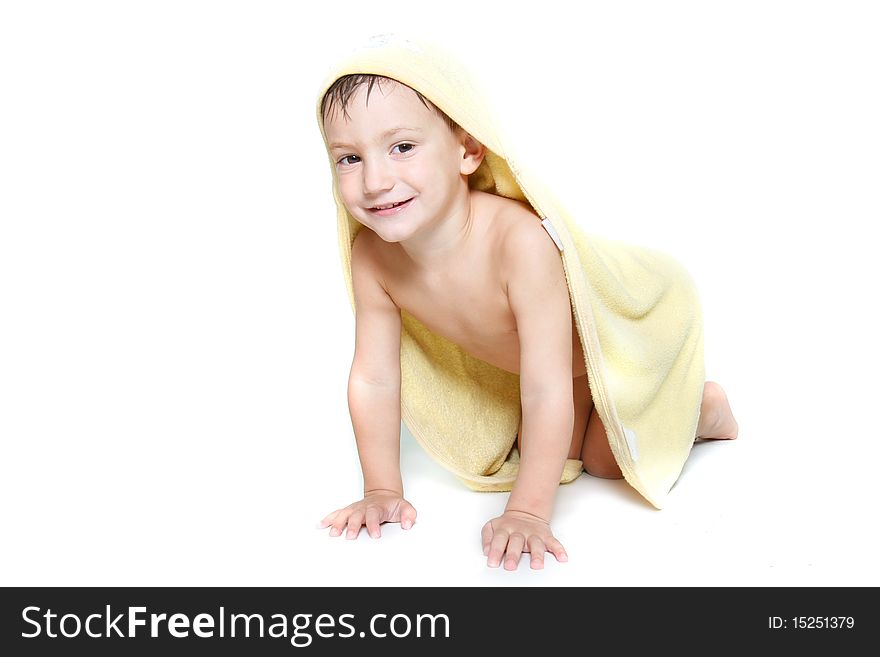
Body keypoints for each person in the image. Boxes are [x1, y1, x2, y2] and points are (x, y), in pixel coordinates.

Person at [315, 51, 738, 571]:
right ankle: (616, 413)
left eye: (402, 147)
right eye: (348, 158)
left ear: (467, 150)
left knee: (609, 465)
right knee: (552, 457)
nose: (375, 180)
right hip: (555, 370)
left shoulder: (519, 244)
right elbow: (375, 378)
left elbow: (544, 387)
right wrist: (381, 488)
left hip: (626, 341)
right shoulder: (373, 258)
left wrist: (529, 512)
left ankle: (702, 409)